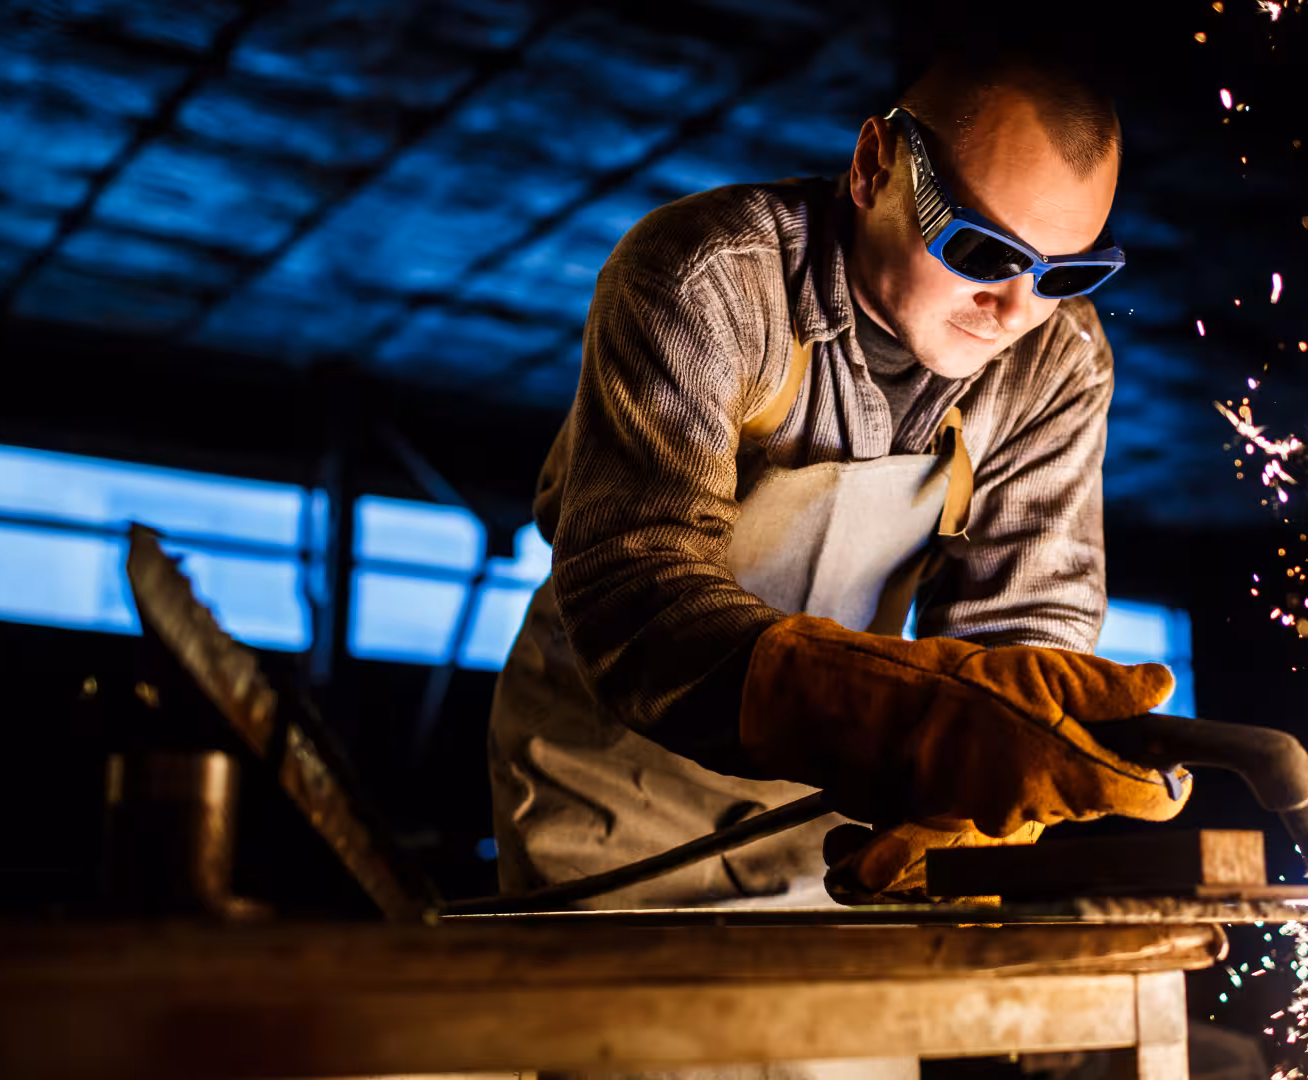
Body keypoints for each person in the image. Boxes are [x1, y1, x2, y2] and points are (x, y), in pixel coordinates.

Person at [488, 48, 1188, 909]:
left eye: (1066, 274)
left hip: (831, 823)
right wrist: (909, 719)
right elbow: (640, 597)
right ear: (873, 167)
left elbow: (1023, 627)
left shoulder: (1057, 360)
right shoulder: (707, 277)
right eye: (980, 249)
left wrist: (968, 805)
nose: (1016, 310)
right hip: (612, 790)